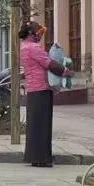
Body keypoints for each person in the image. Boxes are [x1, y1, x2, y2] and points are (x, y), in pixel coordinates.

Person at [19, 21, 69, 167]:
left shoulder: (23, 47)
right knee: (43, 126)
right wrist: (66, 72)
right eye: (38, 32)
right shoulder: (34, 47)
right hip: (42, 89)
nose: (40, 35)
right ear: (31, 33)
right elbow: (49, 64)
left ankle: (35, 157)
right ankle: (43, 158)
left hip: (32, 90)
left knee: (35, 126)